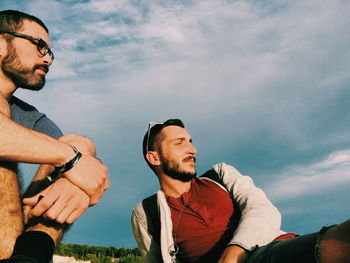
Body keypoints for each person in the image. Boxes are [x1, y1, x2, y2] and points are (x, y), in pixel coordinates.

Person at [131, 119, 350, 263]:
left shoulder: (221, 175)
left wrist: (234, 253)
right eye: (179, 143)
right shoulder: (147, 211)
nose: (192, 149)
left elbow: (263, 209)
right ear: (154, 157)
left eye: (190, 142)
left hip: (269, 250)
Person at [0, 9, 109, 260]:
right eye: (39, 46)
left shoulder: (30, 116)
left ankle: (29, 255)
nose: (48, 59)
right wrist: (73, 161)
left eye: (49, 52)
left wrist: (77, 171)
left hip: (19, 246)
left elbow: (84, 163)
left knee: (78, 145)